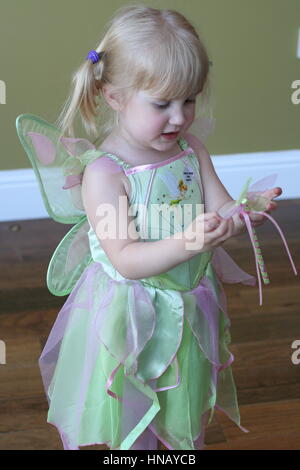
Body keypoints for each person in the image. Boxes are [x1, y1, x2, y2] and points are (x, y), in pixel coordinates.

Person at [35, 4, 283, 450]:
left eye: (189, 100)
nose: (179, 117)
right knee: (132, 414)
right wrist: (190, 240)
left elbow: (220, 209)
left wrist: (244, 212)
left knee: (180, 404)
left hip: (187, 307)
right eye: (162, 104)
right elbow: (127, 260)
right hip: (130, 317)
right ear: (115, 97)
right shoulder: (106, 174)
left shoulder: (191, 152)